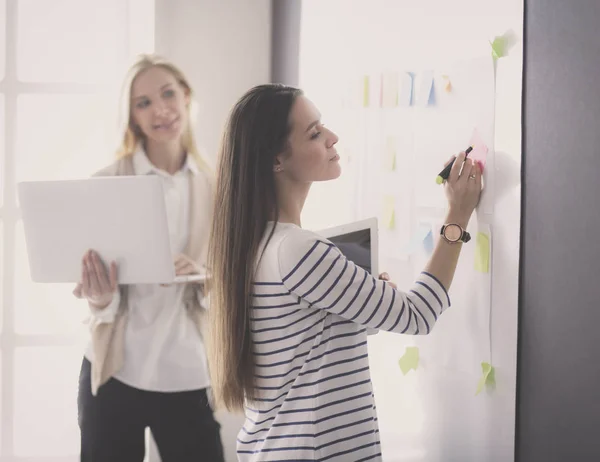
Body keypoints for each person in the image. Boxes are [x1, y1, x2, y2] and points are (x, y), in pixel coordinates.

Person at [207, 84, 482, 461]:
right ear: (276, 160)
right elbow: (418, 315)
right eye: (315, 133)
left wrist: (361, 299)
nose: (333, 138)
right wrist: (457, 217)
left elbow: (304, 342)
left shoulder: (259, 245)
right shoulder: (298, 250)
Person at [73, 55, 224, 461]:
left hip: (186, 369)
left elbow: (231, 283)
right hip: (114, 372)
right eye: (143, 103)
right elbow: (96, 294)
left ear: (186, 96)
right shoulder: (105, 184)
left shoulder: (216, 188)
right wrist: (100, 296)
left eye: (168, 94)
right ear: (132, 117)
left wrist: (204, 277)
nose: (160, 110)